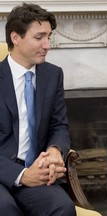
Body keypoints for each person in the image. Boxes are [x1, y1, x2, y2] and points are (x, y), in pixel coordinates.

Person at [0, 3, 76, 215]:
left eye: (49, 37)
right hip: (2, 171)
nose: (47, 45)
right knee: (4, 209)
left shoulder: (53, 75)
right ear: (16, 38)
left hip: (39, 172)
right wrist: (22, 175)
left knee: (63, 207)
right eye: (39, 37)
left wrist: (54, 150)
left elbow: (59, 125)